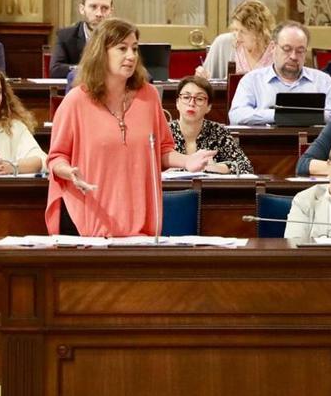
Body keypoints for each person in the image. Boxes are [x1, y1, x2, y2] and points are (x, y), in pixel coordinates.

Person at [46, 19, 216, 237]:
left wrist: (187, 161)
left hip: (139, 220)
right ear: (101, 52)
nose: (131, 56)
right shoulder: (76, 101)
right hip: (90, 218)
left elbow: (162, 151)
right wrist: (69, 172)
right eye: (122, 48)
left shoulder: (149, 96)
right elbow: (56, 157)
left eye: (134, 49)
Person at [228, 21, 331, 125]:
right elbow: (236, 116)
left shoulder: (322, 81)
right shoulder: (252, 80)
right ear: (273, 47)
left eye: (300, 51)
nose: (294, 56)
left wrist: (310, 115)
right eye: (287, 49)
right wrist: (278, 115)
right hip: (265, 147)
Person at [168, 75, 254, 174]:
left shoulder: (218, 132)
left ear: (208, 107)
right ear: (177, 103)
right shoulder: (164, 131)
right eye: (186, 97)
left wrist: (217, 167)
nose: (191, 103)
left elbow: (246, 166)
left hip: (209, 189)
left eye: (199, 99)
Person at [197, 0, 277, 80]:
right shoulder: (223, 43)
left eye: (243, 32)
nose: (237, 37)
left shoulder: (277, 50)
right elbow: (201, 85)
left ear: (260, 32)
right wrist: (201, 77)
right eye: (235, 29)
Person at [49, 0, 114, 79]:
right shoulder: (66, 36)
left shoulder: (119, 37)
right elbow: (56, 70)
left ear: (111, 12)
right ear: (82, 9)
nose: (99, 14)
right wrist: (90, 69)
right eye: (93, 7)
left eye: (105, 8)